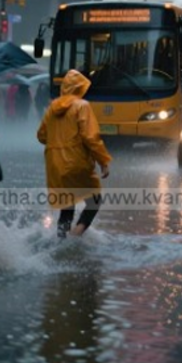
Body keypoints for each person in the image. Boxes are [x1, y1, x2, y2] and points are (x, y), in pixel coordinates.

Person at [38, 70, 112, 238]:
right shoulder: (82, 106)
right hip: (76, 161)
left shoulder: (52, 108)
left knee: (67, 205)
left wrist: (58, 139)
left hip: (55, 165)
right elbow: (90, 137)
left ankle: (61, 241)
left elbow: (41, 136)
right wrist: (103, 161)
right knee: (95, 200)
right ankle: (77, 234)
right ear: (80, 88)